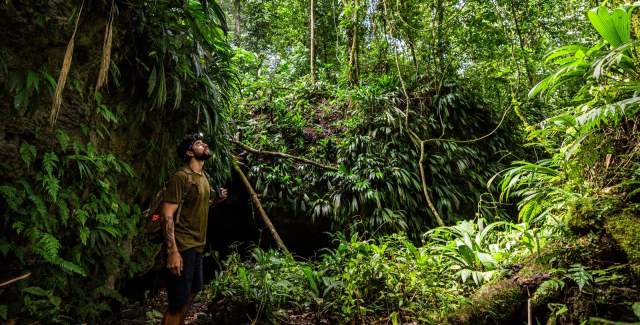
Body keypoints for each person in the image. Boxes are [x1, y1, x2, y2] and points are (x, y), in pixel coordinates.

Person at [161, 132, 228, 325]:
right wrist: (172, 251)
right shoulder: (181, 177)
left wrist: (216, 200)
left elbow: (199, 207)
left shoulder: (203, 177)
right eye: (199, 144)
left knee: (192, 292)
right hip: (182, 246)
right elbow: (167, 214)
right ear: (190, 152)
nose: (205, 145)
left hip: (198, 245)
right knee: (177, 302)